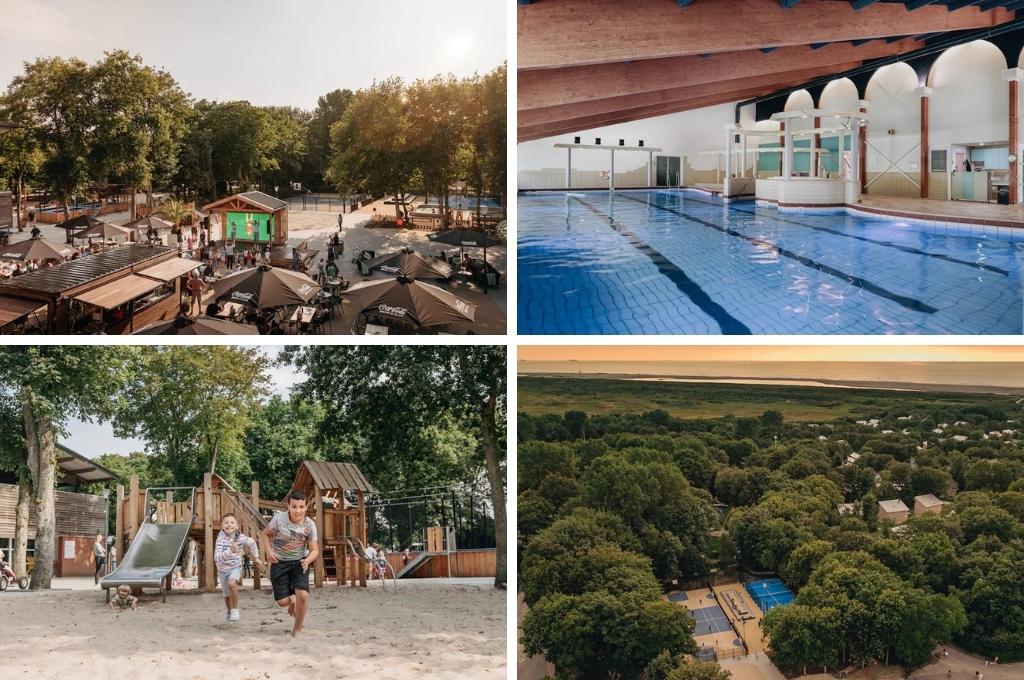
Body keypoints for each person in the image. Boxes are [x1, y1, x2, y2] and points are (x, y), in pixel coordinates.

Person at [261, 490, 319, 636]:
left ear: (306, 507)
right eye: (294, 506)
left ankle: (297, 628)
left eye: (301, 507)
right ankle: (291, 600)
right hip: (279, 562)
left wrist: (308, 560)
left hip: (300, 562)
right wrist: (268, 551)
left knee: (303, 596)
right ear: (288, 506)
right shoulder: (279, 519)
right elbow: (266, 534)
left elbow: (314, 550)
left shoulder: (310, 525)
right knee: (282, 602)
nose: (297, 510)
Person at [215, 512, 260, 623]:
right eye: (226, 522)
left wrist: (256, 557)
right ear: (222, 526)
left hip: (235, 567)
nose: (229, 525)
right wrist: (230, 551)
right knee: (226, 595)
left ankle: (235, 610)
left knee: (232, 584)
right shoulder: (220, 540)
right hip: (222, 570)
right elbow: (217, 558)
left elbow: (252, 543)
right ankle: (230, 611)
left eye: (232, 522)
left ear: (237, 526)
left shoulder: (241, 538)